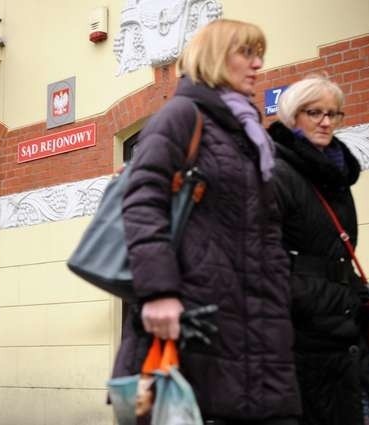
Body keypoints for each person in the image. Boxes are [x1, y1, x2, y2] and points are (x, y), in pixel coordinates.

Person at [112, 19, 301, 424]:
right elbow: (143, 201)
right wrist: (158, 290)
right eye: (246, 53)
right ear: (215, 57)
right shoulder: (183, 116)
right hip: (196, 322)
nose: (258, 64)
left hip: (259, 326)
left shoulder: (251, 135)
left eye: (259, 54)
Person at [268, 75, 369, 425]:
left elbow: (339, 251)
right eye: (315, 112)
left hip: (346, 328)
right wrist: (311, 297)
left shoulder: (334, 175)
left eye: (334, 114)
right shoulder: (277, 174)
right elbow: (263, 255)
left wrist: (354, 296)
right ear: (291, 116)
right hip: (304, 339)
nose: (326, 122)